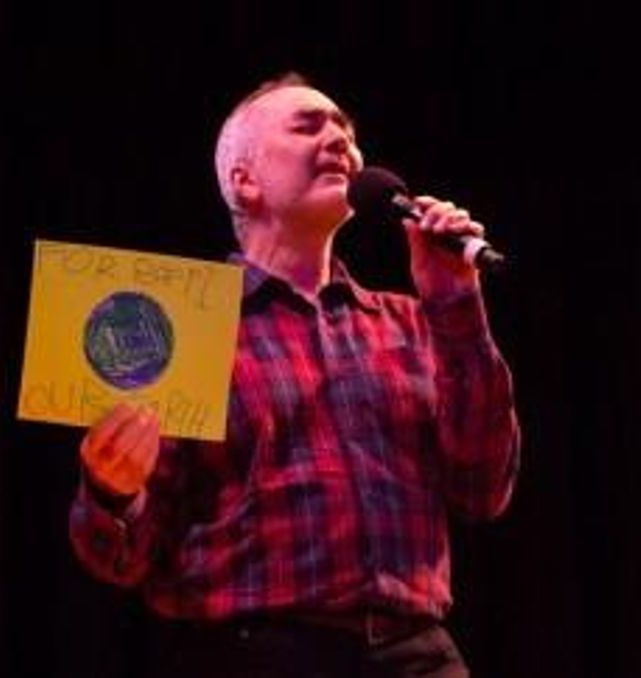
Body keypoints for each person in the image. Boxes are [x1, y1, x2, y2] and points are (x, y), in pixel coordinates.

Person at [69, 72, 521, 677]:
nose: (340, 140)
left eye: (346, 130)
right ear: (244, 181)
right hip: (255, 654)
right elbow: (125, 557)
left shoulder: (410, 323)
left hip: (416, 651)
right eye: (309, 126)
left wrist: (455, 305)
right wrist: (111, 492)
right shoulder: (180, 329)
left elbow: (483, 490)